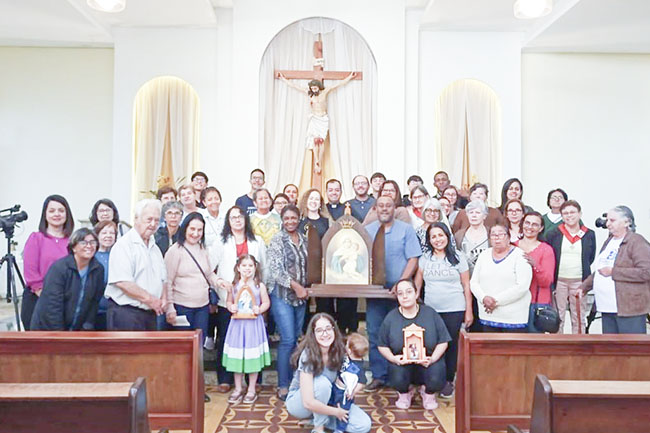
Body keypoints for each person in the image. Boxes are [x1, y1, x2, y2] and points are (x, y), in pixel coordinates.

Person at [364, 196, 421, 390]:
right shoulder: (368, 231)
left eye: (389, 205)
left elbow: (413, 258)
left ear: (394, 209)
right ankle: (379, 375)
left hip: (401, 292)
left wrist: (401, 283)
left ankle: (402, 376)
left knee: (400, 333)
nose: (385, 209)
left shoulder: (406, 230)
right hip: (375, 292)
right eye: (381, 206)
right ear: (376, 208)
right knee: (374, 332)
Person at [211, 205, 267, 393]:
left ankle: (253, 380)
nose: (237, 220)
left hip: (253, 303)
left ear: (245, 219)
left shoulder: (257, 241)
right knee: (227, 339)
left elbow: (264, 269)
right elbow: (209, 269)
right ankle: (225, 378)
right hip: (230, 300)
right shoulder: (221, 242)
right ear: (228, 221)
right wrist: (219, 282)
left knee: (253, 340)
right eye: (233, 217)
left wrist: (260, 294)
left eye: (240, 216)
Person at [285, 313, 371, 433]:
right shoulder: (308, 355)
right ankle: (318, 428)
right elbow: (308, 402)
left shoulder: (341, 350)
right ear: (313, 334)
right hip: (301, 404)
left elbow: (358, 371)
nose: (325, 334)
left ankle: (318, 419)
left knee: (363, 425)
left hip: (331, 399)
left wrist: (355, 389)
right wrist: (337, 412)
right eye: (319, 330)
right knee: (322, 384)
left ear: (334, 330)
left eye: (328, 329)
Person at [415, 223, 472, 398]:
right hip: (431, 310)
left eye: (441, 235)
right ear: (429, 240)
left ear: (447, 236)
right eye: (433, 237)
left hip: (454, 308)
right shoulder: (425, 258)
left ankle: (448, 380)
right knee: (432, 344)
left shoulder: (458, 257)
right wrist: (414, 301)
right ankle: (431, 380)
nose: (437, 239)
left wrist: (468, 310)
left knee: (451, 345)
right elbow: (418, 282)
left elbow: (466, 285)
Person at [377, 279, 450, 410]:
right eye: (400, 293)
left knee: (437, 373)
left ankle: (428, 393)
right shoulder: (391, 317)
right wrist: (394, 359)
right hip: (402, 363)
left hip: (428, 362)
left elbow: (443, 341)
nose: (405, 296)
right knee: (396, 374)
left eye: (409, 292)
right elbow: (382, 344)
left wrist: (432, 358)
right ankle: (404, 393)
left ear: (416, 294)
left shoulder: (430, 313)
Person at [579, 206, 650, 334]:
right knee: (611, 350)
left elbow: (646, 272)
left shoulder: (636, 242)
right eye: (607, 220)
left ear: (627, 222)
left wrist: (614, 272)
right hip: (606, 307)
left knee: (630, 349)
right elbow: (601, 271)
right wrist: (584, 287)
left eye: (612, 220)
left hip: (629, 309)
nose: (607, 224)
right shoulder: (609, 241)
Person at [266, 205, 309, 401]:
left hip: (301, 299)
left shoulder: (305, 240)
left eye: (294, 218)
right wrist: (296, 286)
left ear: (299, 218)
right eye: (287, 218)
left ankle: (296, 383)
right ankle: (283, 385)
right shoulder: (277, 240)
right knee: (288, 340)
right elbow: (276, 271)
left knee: (297, 341)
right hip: (282, 296)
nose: (290, 221)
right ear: (282, 220)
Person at [105, 199, 167, 331]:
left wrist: (164, 298)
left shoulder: (155, 248)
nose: (153, 224)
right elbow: (123, 282)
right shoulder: (124, 245)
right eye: (149, 219)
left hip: (150, 313)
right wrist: (151, 300)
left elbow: (163, 278)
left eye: (156, 220)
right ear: (136, 219)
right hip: (126, 314)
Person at [279, 72, 356, 174]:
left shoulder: (325, 92)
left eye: (315, 88)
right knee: (315, 140)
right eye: (312, 88)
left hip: (323, 119)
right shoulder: (309, 93)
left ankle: (319, 159)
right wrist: (283, 79)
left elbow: (338, 84)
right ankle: (317, 161)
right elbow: (295, 86)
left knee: (321, 141)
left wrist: (350, 77)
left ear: (319, 87)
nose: (314, 89)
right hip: (315, 118)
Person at [30, 228, 105, 331]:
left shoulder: (98, 269)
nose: (89, 246)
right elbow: (53, 306)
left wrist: (86, 327)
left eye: (93, 242)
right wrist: (61, 336)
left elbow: (94, 302)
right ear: (74, 247)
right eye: (83, 242)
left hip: (77, 329)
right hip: (48, 327)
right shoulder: (59, 268)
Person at [223, 254, 271, 404]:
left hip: (253, 326)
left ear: (255, 267)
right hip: (238, 326)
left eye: (250, 265)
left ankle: (251, 389)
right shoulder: (234, 285)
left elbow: (266, 303)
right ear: (238, 267)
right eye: (244, 265)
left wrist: (259, 309)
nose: (247, 269)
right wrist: (231, 307)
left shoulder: (259, 286)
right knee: (238, 357)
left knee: (252, 356)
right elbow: (229, 301)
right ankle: (238, 388)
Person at [22, 194, 75, 330]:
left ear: (67, 214)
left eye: (61, 210)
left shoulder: (73, 241)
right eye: (51, 211)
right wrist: (49, 298)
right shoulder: (36, 238)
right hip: (38, 300)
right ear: (45, 215)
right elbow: (31, 273)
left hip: (65, 302)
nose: (56, 214)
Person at [164, 212, 217, 341]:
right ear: (185, 228)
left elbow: (209, 274)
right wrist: (170, 307)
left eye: (199, 230)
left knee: (199, 345)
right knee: (183, 347)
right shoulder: (175, 250)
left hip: (202, 307)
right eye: (192, 229)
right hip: (181, 307)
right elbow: (167, 282)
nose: (195, 233)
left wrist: (220, 282)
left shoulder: (203, 249)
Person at [545, 200, 596, 334]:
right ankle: (558, 347)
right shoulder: (554, 233)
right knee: (558, 316)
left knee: (578, 317)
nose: (569, 216)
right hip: (559, 281)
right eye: (565, 213)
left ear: (580, 214)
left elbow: (590, 257)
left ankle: (579, 346)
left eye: (572, 212)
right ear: (562, 216)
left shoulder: (589, 234)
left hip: (579, 281)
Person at [470, 224, 532, 332]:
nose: (497, 238)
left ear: (508, 237)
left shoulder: (520, 256)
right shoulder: (483, 255)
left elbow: (522, 286)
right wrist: (484, 298)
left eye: (501, 234)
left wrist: (495, 301)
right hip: (488, 315)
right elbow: (474, 282)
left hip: (513, 318)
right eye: (493, 235)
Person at [517, 212, 556, 333]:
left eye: (535, 224)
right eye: (527, 223)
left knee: (535, 344)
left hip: (536, 303)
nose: (530, 227)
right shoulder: (512, 246)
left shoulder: (546, 249)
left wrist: (535, 265)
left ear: (541, 228)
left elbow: (547, 281)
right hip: (515, 302)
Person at [328, 333, 368, 433]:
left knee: (343, 411)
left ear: (349, 351)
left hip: (345, 394)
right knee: (331, 402)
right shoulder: (347, 357)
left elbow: (362, 382)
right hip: (336, 387)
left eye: (346, 344)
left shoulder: (359, 367)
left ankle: (340, 429)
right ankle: (323, 417)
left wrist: (353, 392)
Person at [93, 220, 117, 330]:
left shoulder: (118, 254)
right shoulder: (92, 256)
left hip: (113, 309)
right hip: (95, 310)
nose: (108, 236)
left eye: (111, 233)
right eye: (104, 233)